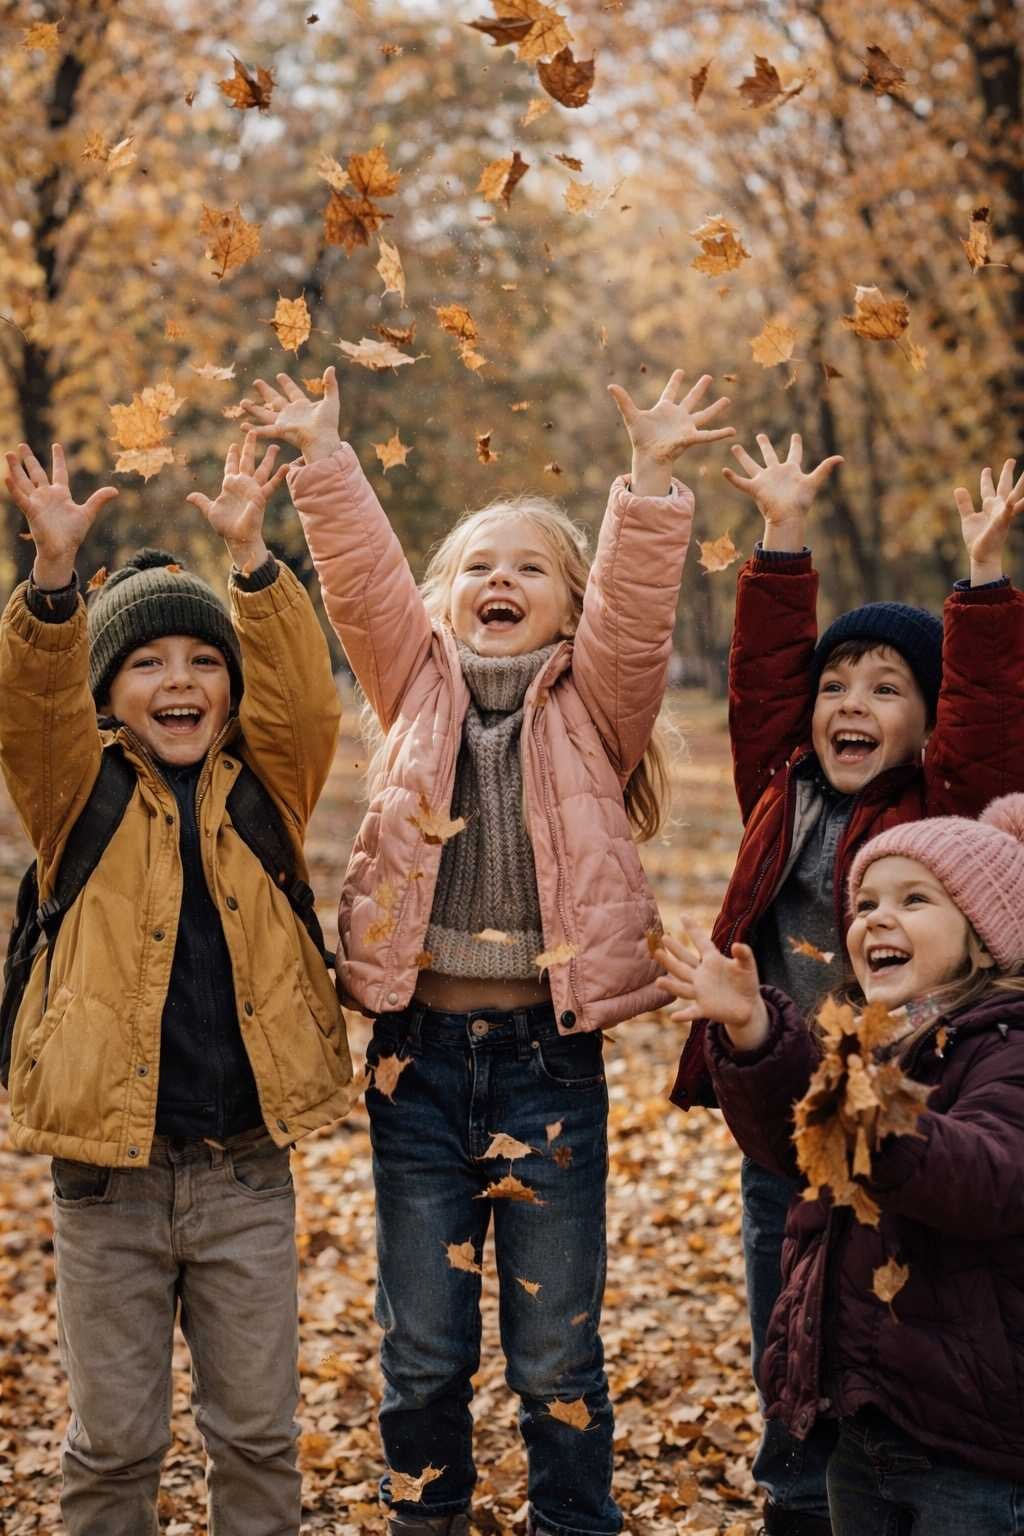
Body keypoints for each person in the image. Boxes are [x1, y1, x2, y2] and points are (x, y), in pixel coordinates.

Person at [238, 362, 733, 1536]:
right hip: (415, 1065)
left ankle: (573, 1523)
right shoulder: (411, 687)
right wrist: (324, 457)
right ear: (441, 598)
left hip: (545, 1070)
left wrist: (648, 479)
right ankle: (428, 1520)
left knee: (556, 1357)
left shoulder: (596, 707)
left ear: (570, 604)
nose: (499, 581)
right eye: (476, 566)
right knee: (422, 1353)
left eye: (528, 568)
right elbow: (362, 581)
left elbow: (636, 614)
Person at [0, 433, 359, 1536]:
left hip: (243, 1170)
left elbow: (304, 701)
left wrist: (252, 561)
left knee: (255, 1436)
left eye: (203, 661)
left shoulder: (267, 787)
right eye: (148, 663)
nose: (180, 682)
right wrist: (52, 584)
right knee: (114, 1447)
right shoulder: (76, 793)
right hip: (107, 1180)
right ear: (109, 693)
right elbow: (32, 708)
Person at [669, 437, 1024, 1534]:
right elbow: (763, 683)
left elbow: (989, 715)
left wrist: (982, 584)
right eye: (835, 688)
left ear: (929, 718)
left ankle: (919, 1470)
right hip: (789, 1107)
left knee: (899, 1316)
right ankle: (798, 1496)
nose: (848, 704)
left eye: (885, 688)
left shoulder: (940, 812)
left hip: (917, 1101)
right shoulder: (780, 788)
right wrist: (780, 542)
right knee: (791, 1333)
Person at [656, 794, 1024, 1536]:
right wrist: (755, 1031)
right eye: (866, 903)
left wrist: (875, 1121)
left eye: (914, 900)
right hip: (861, 1419)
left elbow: (988, 1178)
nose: (876, 919)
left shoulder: (1006, 1048)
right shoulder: (865, 1042)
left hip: (972, 1441)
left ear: (985, 937)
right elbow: (788, 1145)